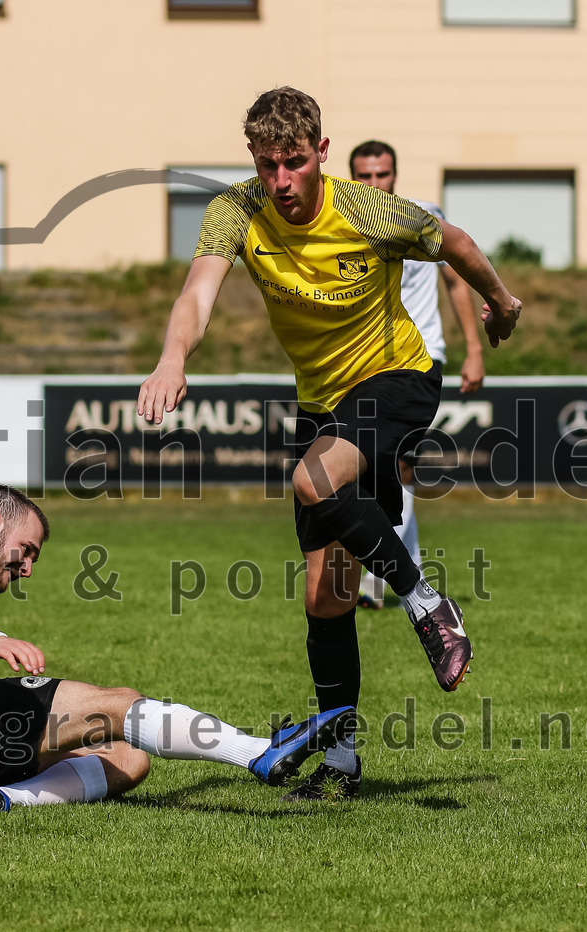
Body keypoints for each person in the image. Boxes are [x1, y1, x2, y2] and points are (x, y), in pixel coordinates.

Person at [137, 87, 520, 801]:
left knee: (314, 480)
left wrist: (502, 304)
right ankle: (341, 763)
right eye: (265, 164)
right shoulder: (236, 209)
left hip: (397, 376)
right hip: (321, 402)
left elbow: (456, 242)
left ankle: (426, 603)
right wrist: (172, 356)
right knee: (326, 594)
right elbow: (196, 293)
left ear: (321, 152)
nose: (279, 181)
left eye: (291, 163)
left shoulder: (367, 208)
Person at [0, 484, 354, 810]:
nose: (26, 569)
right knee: (115, 703)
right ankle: (260, 754)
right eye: (28, 552)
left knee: (126, 758)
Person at [348, 139, 485, 610]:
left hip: (422, 357)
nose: (374, 184)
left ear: (394, 175)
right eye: (364, 176)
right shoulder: (345, 225)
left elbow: (455, 280)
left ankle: (374, 581)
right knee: (377, 475)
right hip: (369, 362)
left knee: (400, 465)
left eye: (381, 175)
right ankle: (413, 574)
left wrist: (474, 349)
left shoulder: (423, 214)